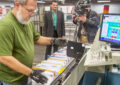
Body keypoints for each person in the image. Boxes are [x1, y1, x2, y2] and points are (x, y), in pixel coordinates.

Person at [0, 0, 66, 85]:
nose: (32, 15)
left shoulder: (26, 21)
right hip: (12, 80)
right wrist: (31, 73)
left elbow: (36, 38)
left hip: (24, 75)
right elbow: (4, 57)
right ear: (17, 5)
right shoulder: (5, 25)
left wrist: (53, 40)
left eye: (33, 11)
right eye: (30, 10)